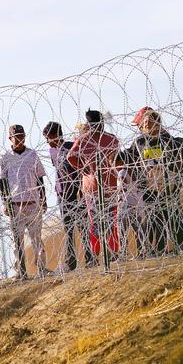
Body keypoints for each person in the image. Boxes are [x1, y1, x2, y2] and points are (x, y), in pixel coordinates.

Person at [126, 107, 183, 256]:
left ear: (158, 123)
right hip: (149, 187)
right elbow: (128, 158)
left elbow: (180, 160)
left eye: (149, 123)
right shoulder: (140, 142)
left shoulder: (168, 140)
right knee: (155, 219)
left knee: (174, 217)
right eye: (143, 125)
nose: (145, 127)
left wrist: (182, 178)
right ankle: (160, 250)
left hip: (168, 185)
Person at [67, 109, 121, 265]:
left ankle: (103, 255)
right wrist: (82, 168)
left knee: (101, 221)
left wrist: (81, 168)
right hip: (101, 186)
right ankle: (107, 254)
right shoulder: (109, 139)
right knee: (103, 221)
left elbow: (70, 157)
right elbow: (70, 157)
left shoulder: (84, 140)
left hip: (99, 186)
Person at [0, 125, 48, 279]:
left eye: (22, 136)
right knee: (17, 241)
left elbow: (39, 177)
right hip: (16, 205)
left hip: (33, 203)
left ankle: (42, 268)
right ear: (10, 139)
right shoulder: (6, 157)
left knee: (37, 239)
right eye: (16, 137)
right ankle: (20, 271)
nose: (20, 139)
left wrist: (43, 199)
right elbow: (3, 182)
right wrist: (6, 202)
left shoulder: (32, 155)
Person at [43, 121, 93, 270]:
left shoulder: (71, 147)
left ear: (56, 135)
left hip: (76, 192)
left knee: (83, 226)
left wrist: (80, 189)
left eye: (49, 137)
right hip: (62, 193)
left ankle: (90, 257)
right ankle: (71, 261)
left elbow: (80, 168)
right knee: (68, 228)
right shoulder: (52, 152)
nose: (47, 141)